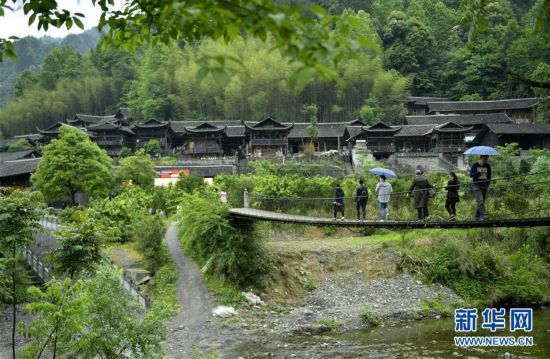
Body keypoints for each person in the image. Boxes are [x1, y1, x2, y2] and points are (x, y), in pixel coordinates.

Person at [469, 155, 491, 220]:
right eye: (484, 159)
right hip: (476, 185)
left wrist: (487, 185)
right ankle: (484, 216)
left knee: (482, 201)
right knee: (480, 200)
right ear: (481, 158)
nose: (485, 161)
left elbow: (489, 177)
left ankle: (477, 216)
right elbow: (471, 175)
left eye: (486, 159)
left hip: (484, 185)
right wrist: (478, 173)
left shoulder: (487, 166)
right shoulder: (475, 165)